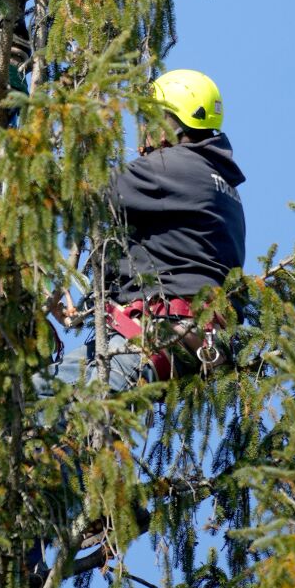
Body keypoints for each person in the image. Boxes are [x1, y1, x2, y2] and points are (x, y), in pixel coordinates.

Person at [49, 68, 246, 391]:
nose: (142, 131)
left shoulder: (171, 168)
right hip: (195, 336)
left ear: (172, 121)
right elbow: (167, 255)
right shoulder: (224, 188)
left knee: (45, 397)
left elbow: (87, 194)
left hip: (160, 333)